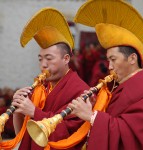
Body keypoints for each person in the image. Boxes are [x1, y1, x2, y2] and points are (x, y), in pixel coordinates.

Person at [68, 0, 143, 150]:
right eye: (108, 60)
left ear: (132, 58)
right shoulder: (119, 85)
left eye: (113, 60)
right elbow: (115, 119)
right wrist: (95, 105)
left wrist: (92, 117)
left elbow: (133, 135)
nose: (110, 67)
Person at [5, 8, 89, 150]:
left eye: (49, 58)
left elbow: (71, 136)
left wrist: (34, 112)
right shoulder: (41, 87)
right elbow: (23, 133)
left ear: (66, 58)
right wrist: (18, 111)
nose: (43, 64)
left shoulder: (81, 91)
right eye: (40, 59)